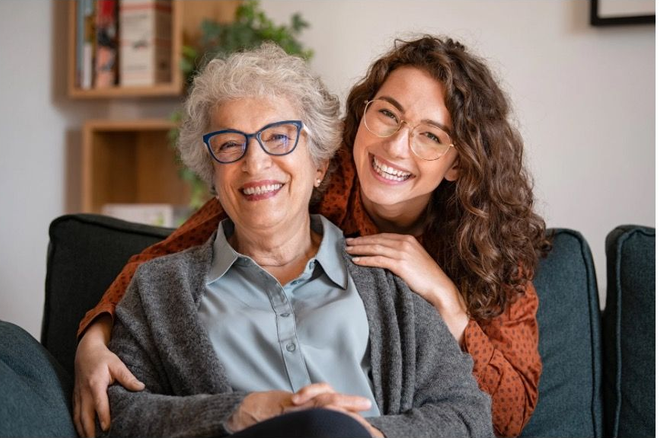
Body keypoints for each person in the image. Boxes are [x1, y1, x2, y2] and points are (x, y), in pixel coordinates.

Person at [75, 36, 549, 438]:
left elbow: (485, 416)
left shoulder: (434, 277)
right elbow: (160, 265)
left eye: (430, 135)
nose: (395, 146)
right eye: (388, 114)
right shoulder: (169, 284)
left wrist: (446, 302)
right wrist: (94, 336)